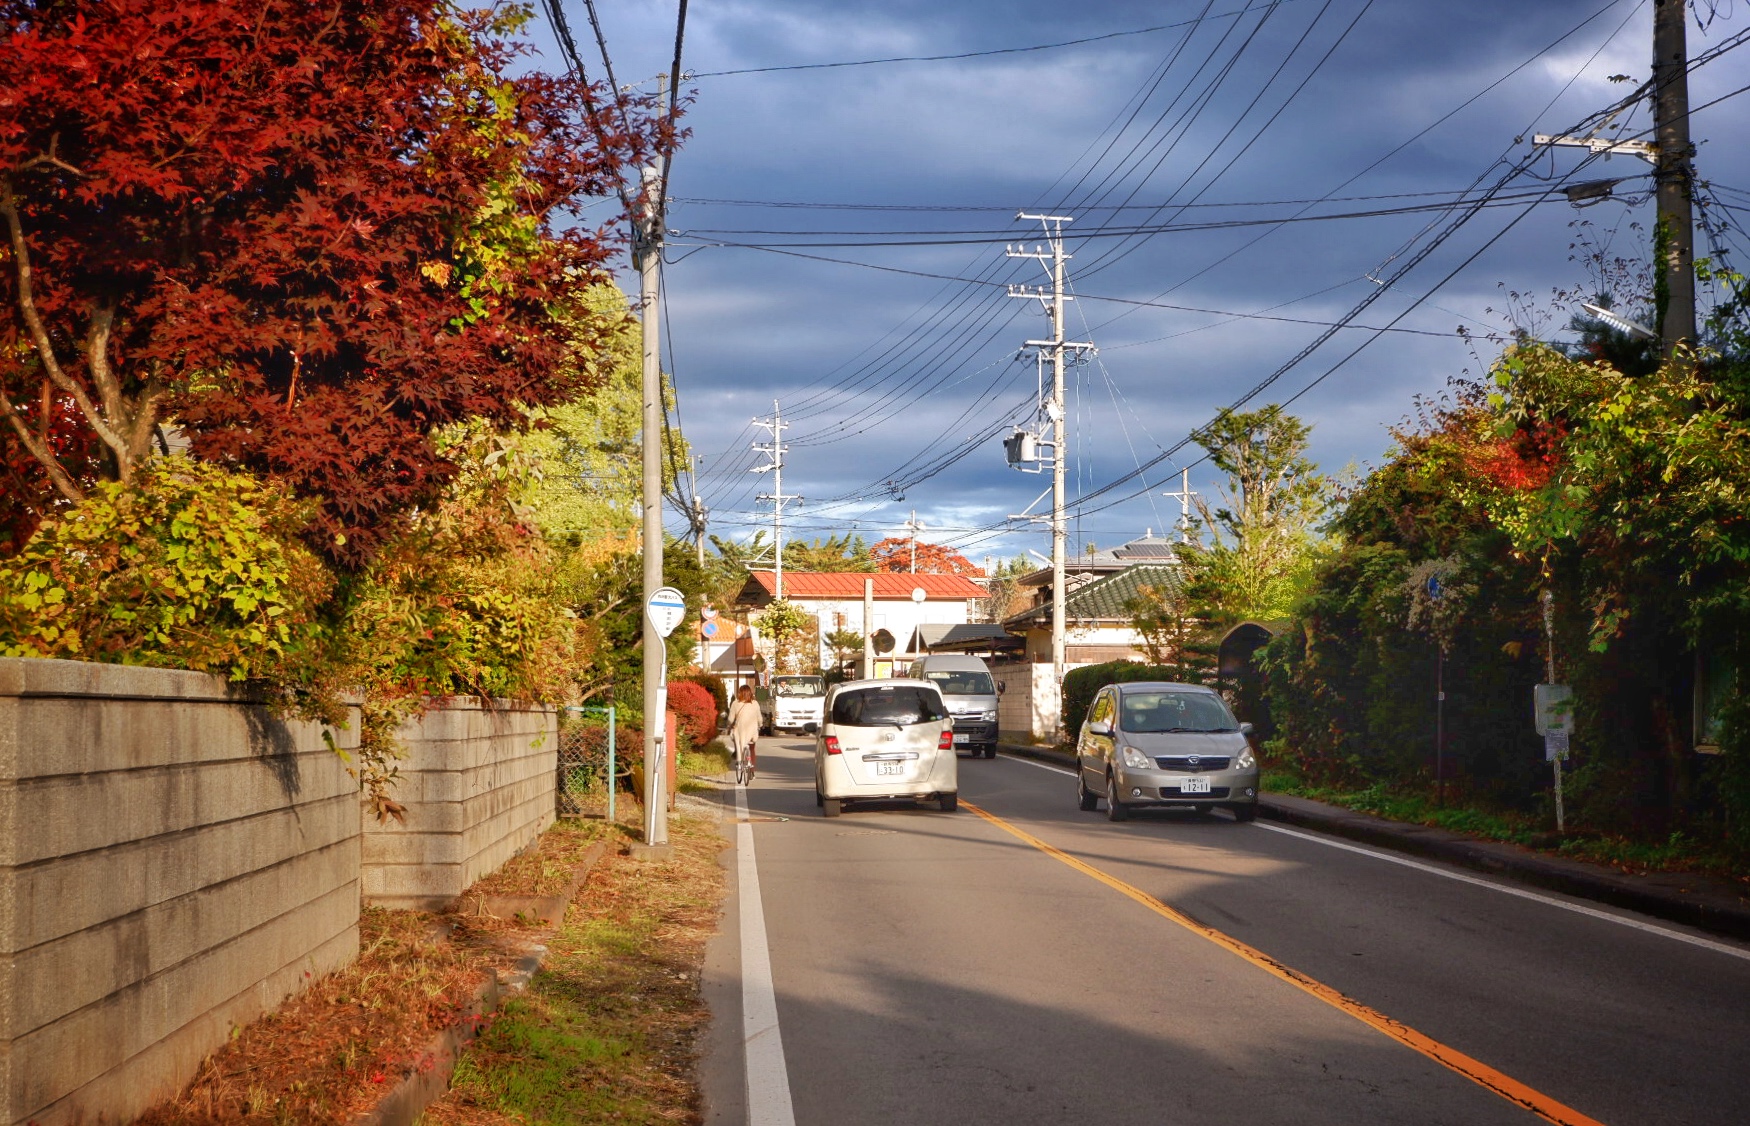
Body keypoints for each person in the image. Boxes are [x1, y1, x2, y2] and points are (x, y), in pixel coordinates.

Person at [727, 683, 761, 783]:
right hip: (752, 733)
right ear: (750, 693)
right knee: (752, 747)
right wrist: (760, 724)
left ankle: (738, 752)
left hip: (740, 733)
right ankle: (752, 770)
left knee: (736, 737)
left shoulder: (735, 703)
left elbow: (730, 719)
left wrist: (729, 725)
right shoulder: (755, 703)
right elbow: (759, 718)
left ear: (740, 693)